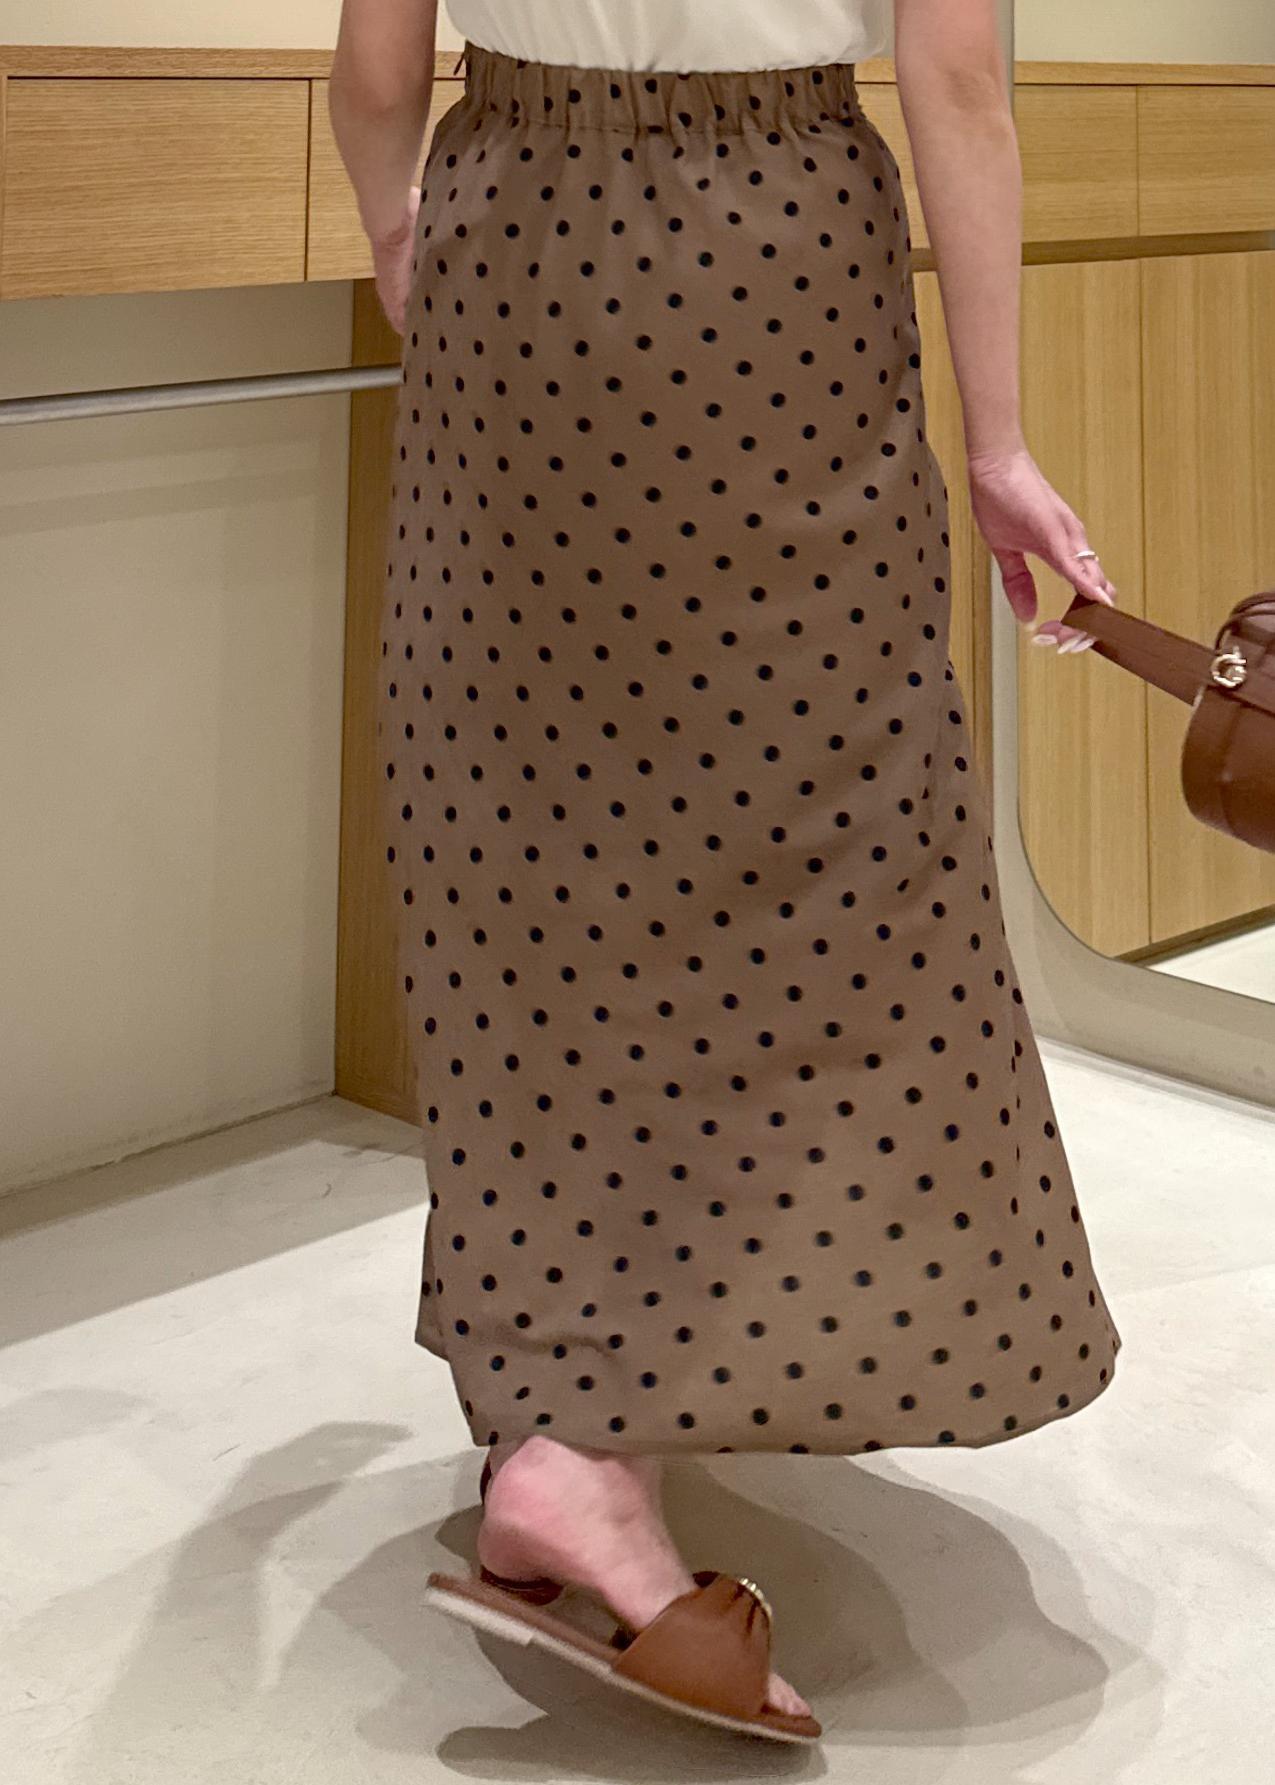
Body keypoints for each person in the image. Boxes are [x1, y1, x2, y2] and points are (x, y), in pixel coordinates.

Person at [329, 0, 1122, 1742]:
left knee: (524, 840)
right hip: (770, 260)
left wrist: (403, 224)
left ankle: (565, 1400)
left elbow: (379, 77)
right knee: (813, 842)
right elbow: (957, 81)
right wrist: (998, 443)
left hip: (507, 243)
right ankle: (592, 1446)